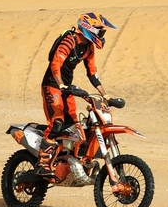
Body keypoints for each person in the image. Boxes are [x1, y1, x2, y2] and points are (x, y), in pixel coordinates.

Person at [36, 13, 117, 175]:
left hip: (67, 88)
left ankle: (67, 161)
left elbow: (92, 73)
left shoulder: (88, 47)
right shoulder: (69, 41)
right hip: (52, 85)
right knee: (57, 122)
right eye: (100, 32)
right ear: (88, 28)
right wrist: (61, 84)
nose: (102, 36)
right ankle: (42, 161)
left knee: (74, 127)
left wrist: (106, 95)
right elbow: (55, 64)